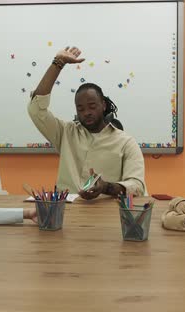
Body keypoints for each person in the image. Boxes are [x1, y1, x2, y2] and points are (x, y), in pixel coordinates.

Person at [28, 46, 145, 200]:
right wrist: (58, 63)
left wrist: (106, 187)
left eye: (92, 106)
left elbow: (137, 186)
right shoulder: (65, 133)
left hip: (106, 213)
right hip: (67, 210)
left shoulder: (126, 143)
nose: (86, 112)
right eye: (80, 108)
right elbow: (36, 109)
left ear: (103, 105)